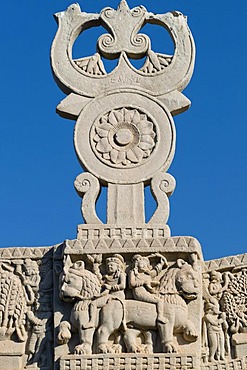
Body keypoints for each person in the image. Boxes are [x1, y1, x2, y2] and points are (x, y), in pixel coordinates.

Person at [84, 254, 126, 329]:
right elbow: (100, 282)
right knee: (93, 304)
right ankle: (93, 321)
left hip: (117, 295)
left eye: (111, 265)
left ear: (117, 266)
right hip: (108, 295)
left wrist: (111, 287)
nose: (109, 267)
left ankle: (92, 322)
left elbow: (123, 286)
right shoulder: (106, 277)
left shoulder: (121, 275)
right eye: (108, 266)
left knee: (93, 304)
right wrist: (96, 269)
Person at [129, 254, 167, 324]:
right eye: (142, 264)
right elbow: (131, 284)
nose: (144, 266)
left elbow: (155, 272)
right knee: (160, 301)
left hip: (147, 292)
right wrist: (143, 282)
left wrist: (161, 264)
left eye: (146, 265)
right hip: (139, 293)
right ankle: (160, 316)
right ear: (137, 264)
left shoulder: (147, 275)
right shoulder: (133, 272)